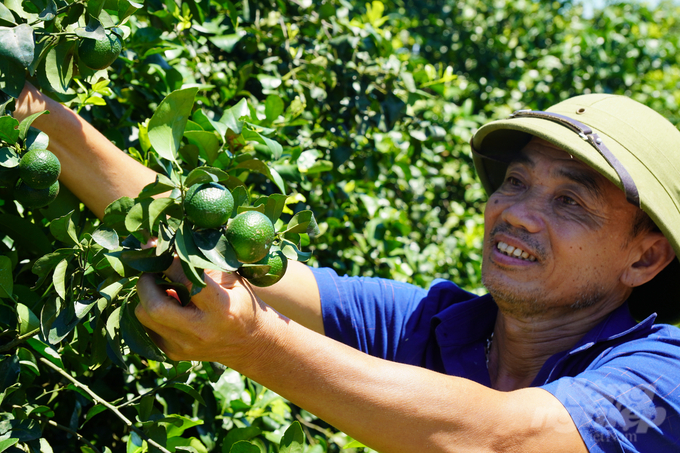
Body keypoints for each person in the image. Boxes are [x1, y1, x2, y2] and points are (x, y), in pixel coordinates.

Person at [14, 83, 680, 452]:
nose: (516, 213)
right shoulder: (436, 324)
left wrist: (251, 342)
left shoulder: (661, 378)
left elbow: (501, 440)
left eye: (569, 201)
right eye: (514, 181)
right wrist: (39, 114)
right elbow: (212, 252)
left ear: (644, 256)